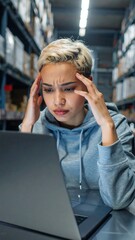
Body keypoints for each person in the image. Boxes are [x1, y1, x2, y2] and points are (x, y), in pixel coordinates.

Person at [20, 38, 135, 210]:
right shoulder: (36, 126)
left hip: (105, 226)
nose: (58, 101)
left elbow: (118, 200)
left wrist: (106, 125)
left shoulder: (115, 126)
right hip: (50, 219)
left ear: (88, 84)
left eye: (68, 88)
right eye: (48, 89)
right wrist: (27, 126)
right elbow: (22, 192)